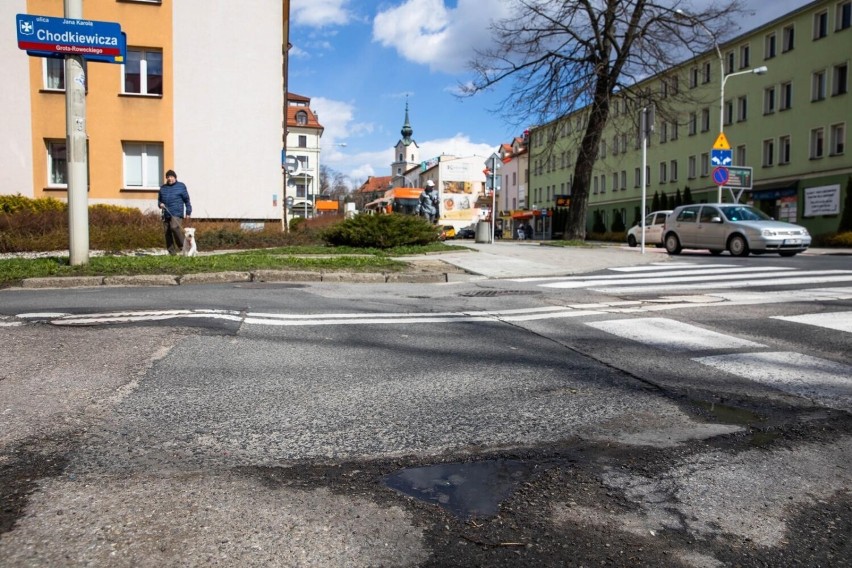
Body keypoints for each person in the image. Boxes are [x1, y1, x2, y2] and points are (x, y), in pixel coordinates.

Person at [158, 169, 192, 255]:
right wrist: (160, 204)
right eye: (168, 177)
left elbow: (187, 200)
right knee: (167, 232)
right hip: (166, 213)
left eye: (171, 177)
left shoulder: (181, 186)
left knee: (174, 227)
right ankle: (172, 253)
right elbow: (159, 200)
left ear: (175, 177)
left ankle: (183, 247)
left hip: (177, 213)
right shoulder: (163, 188)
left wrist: (188, 212)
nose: (170, 178)